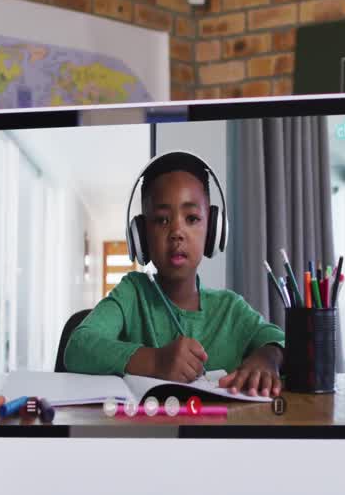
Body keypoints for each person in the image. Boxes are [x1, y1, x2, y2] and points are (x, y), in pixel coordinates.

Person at [64, 152, 285, 397]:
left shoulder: (231, 309)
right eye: (161, 220)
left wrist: (268, 358)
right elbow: (78, 347)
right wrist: (155, 361)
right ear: (141, 235)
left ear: (213, 230)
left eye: (191, 218)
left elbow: (280, 341)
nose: (177, 232)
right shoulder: (132, 293)